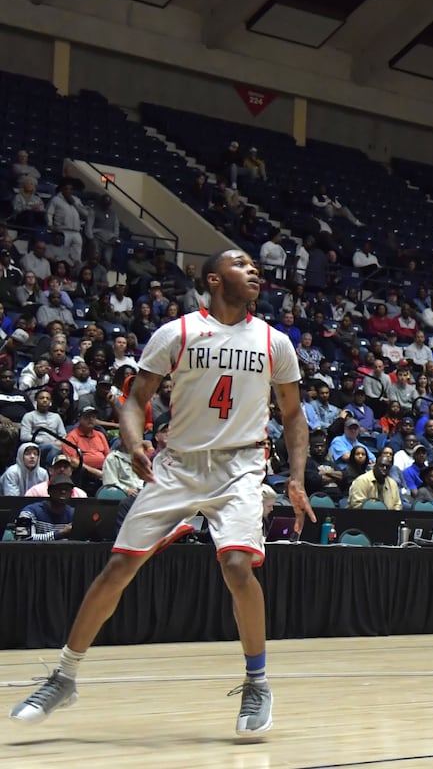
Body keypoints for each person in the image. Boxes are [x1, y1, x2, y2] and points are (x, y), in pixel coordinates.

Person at [10, 249, 313, 737]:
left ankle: (257, 682)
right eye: (240, 264)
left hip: (240, 465)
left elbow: (294, 414)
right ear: (214, 278)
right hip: (177, 465)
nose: (253, 269)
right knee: (118, 567)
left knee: (237, 566)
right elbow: (135, 400)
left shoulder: (275, 342)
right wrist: (132, 444)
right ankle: (64, 676)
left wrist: (296, 476)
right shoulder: (177, 332)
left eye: (255, 265)